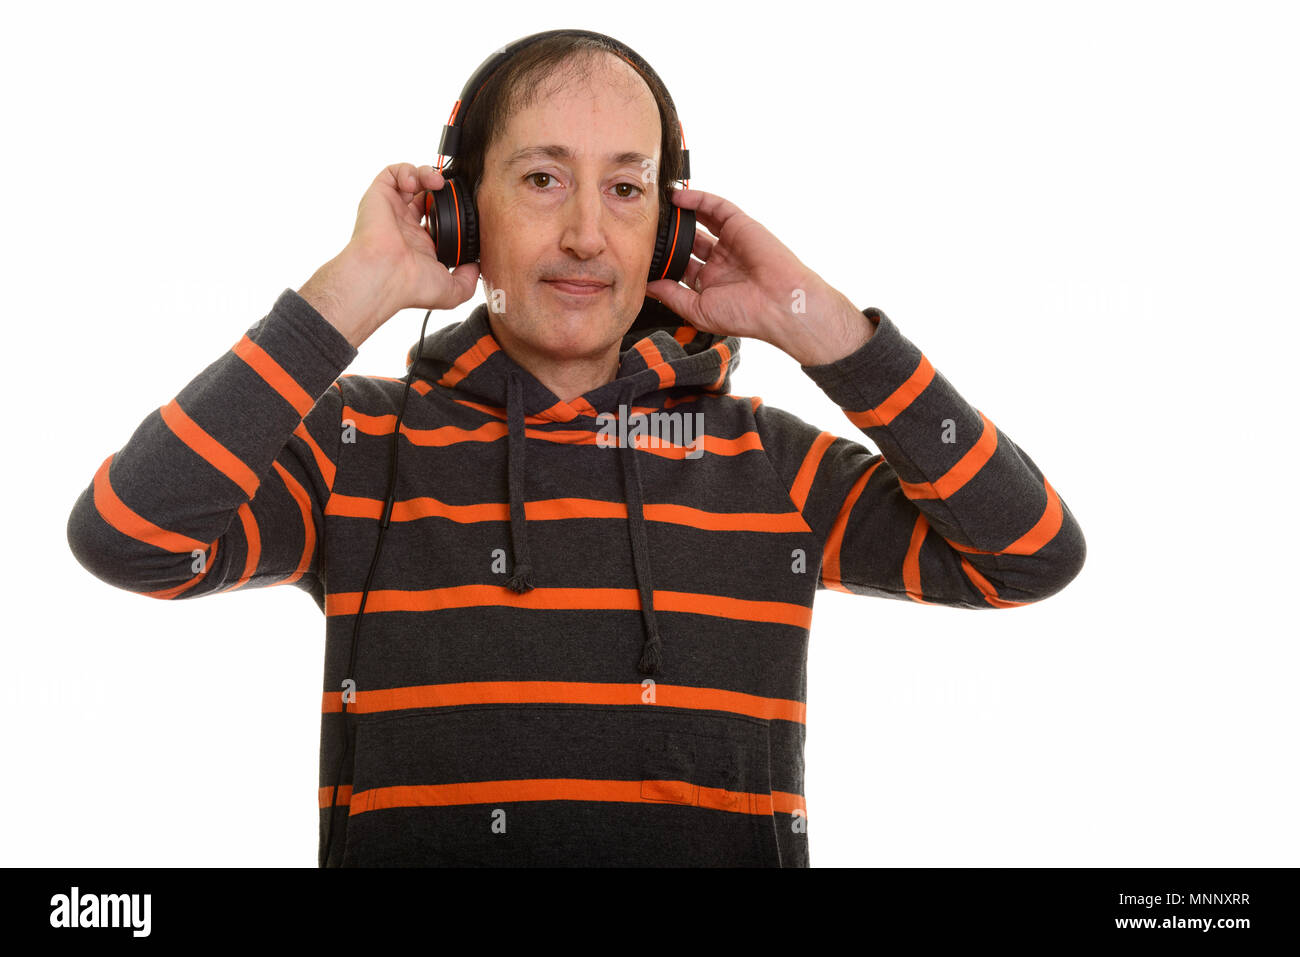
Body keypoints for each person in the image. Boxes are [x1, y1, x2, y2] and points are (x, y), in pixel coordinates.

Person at [65, 31, 1086, 867]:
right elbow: (131, 534)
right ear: (462, 213)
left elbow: (1026, 555)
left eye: (627, 190)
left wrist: (817, 325)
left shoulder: (772, 468)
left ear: (670, 234)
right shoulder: (354, 448)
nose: (589, 236)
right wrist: (347, 295)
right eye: (543, 179)